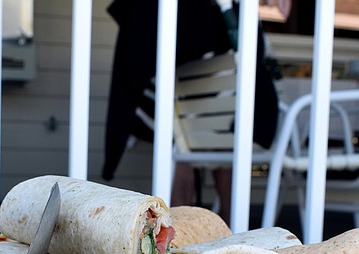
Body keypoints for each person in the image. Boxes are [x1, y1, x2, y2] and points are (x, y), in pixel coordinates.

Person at [102, 0, 280, 224]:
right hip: (217, 110)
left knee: (184, 152)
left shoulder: (160, 25)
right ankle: (229, 230)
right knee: (212, 147)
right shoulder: (225, 25)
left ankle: (178, 236)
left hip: (185, 106)